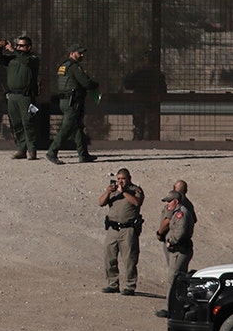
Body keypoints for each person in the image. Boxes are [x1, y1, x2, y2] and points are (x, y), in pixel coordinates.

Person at [46, 43, 100, 165]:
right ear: (71, 53)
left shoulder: (64, 66)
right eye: (79, 53)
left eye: (82, 53)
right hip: (72, 102)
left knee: (78, 128)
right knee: (67, 127)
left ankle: (83, 154)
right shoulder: (74, 67)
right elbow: (86, 83)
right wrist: (95, 85)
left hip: (66, 101)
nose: (81, 55)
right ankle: (52, 152)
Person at [99, 168, 144, 296]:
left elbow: (137, 202)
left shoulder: (135, 190)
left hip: (128, 229)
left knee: (129, 259)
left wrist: (123, 192)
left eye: (123, 179)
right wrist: (108, 192)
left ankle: (130, 285)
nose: (120, 181)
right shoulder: (113, 191)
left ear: (129, 178)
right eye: (118, 179)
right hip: (113, 229)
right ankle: (112, 284)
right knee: (109, 257)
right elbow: (101, 202)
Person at [0, 35, 41, 160]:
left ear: (29, 47)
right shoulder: (13, 59)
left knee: (28, 122)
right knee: (16, 123)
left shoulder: (32, 59)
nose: (18, 48)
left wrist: (12, 50)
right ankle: (21, 148)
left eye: (21, 46)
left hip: (25, 96)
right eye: (17, 45)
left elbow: (25, 61)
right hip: (12, 96)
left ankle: (32, 149)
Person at [123, 51, 167, 141]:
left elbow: (128, 85)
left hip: (141, 102)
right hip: (150, 103)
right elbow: (163, 90)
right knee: (149, 126)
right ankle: (147, 141)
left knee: (140, 125)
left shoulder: (139, 73)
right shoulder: (157, 74)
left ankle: (139, 141)